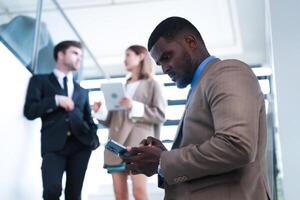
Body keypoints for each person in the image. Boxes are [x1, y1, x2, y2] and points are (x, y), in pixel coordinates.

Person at [122, 17, 272, 200]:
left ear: (191, 42)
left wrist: (163, 161)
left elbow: (237, 146)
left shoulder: (227, 72)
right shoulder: (200, 86)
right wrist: (164, 157)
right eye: (160, 64)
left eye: (167, 57)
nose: (165, 68)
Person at [24, 40, 99, 200]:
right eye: (75, 53)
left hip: (81, 145)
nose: (79, 58)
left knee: (74, 195)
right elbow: (30, 111)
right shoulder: (40, 81)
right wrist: (56, 100)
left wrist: (94, 138)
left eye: (81, 55)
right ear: (60, 54)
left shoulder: (82, 91)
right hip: (53, 145)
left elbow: (88, 119)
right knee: (51, 190)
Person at [93, 45, 166, 200]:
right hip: (116, 144)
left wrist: (134, 106)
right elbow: (112, 121)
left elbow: (160, 114)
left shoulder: (153, 84)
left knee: (139, 192)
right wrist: (100, 111)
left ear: (140, 56)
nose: (124, 59)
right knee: (119, 195)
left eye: (128, 55)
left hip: (138, 143)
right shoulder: (122, 87)